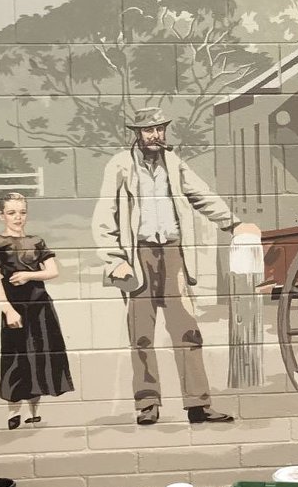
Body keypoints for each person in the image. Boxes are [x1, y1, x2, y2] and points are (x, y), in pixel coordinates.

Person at [91, 107, 259, 427]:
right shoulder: (120, 165)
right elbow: (104, 216)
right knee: (141, 334)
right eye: (148, 130)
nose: (155, 135)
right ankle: (148, 402)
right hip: (137, 258)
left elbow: (203, 196)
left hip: (172, 254)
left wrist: (234, 225)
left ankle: (198, 403)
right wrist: (115, 261)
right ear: (137, 134)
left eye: (160, 129)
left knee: (187, 330)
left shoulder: (174, 163)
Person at [0, 192, 73, 428]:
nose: (18, 217)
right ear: (2, 215)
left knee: (39, 356)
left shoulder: (36, 241)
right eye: (12, 213)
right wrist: (8, 310)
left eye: (22, 212)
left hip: (40, 306)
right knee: (16, 357)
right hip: (15, 307)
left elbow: (52, 271)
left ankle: (34, 410)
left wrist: (29, 275)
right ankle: (13, 412)